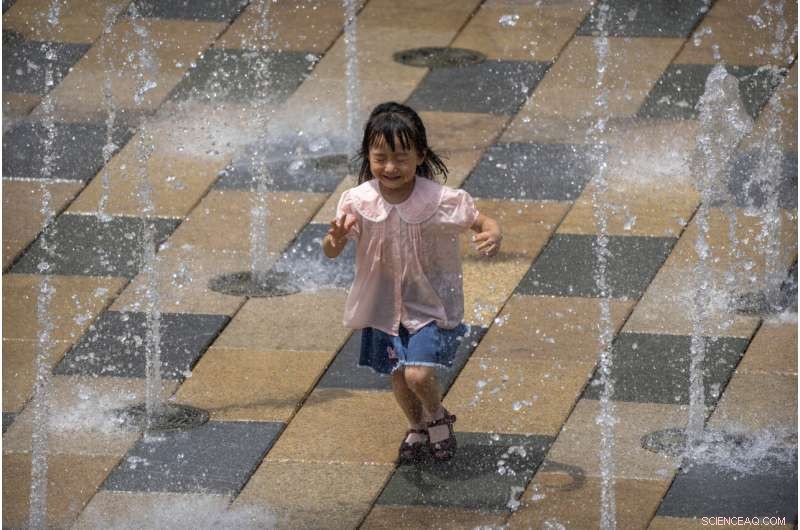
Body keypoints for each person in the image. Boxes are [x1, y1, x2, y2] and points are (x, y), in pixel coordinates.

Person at [322, 102, 502, 463]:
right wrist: (336, 240)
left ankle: (436, 416)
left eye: (401, 157)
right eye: (380, 157)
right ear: (368, 156)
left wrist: (493, 233)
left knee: (418, 375)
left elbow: (482, 221)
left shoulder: (437, 200)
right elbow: (330, 250)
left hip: (428, 304)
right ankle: (417, 427)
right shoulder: (358, 201)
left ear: (420, 155)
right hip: (383, 307)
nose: (390, 167)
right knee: (399, 378)